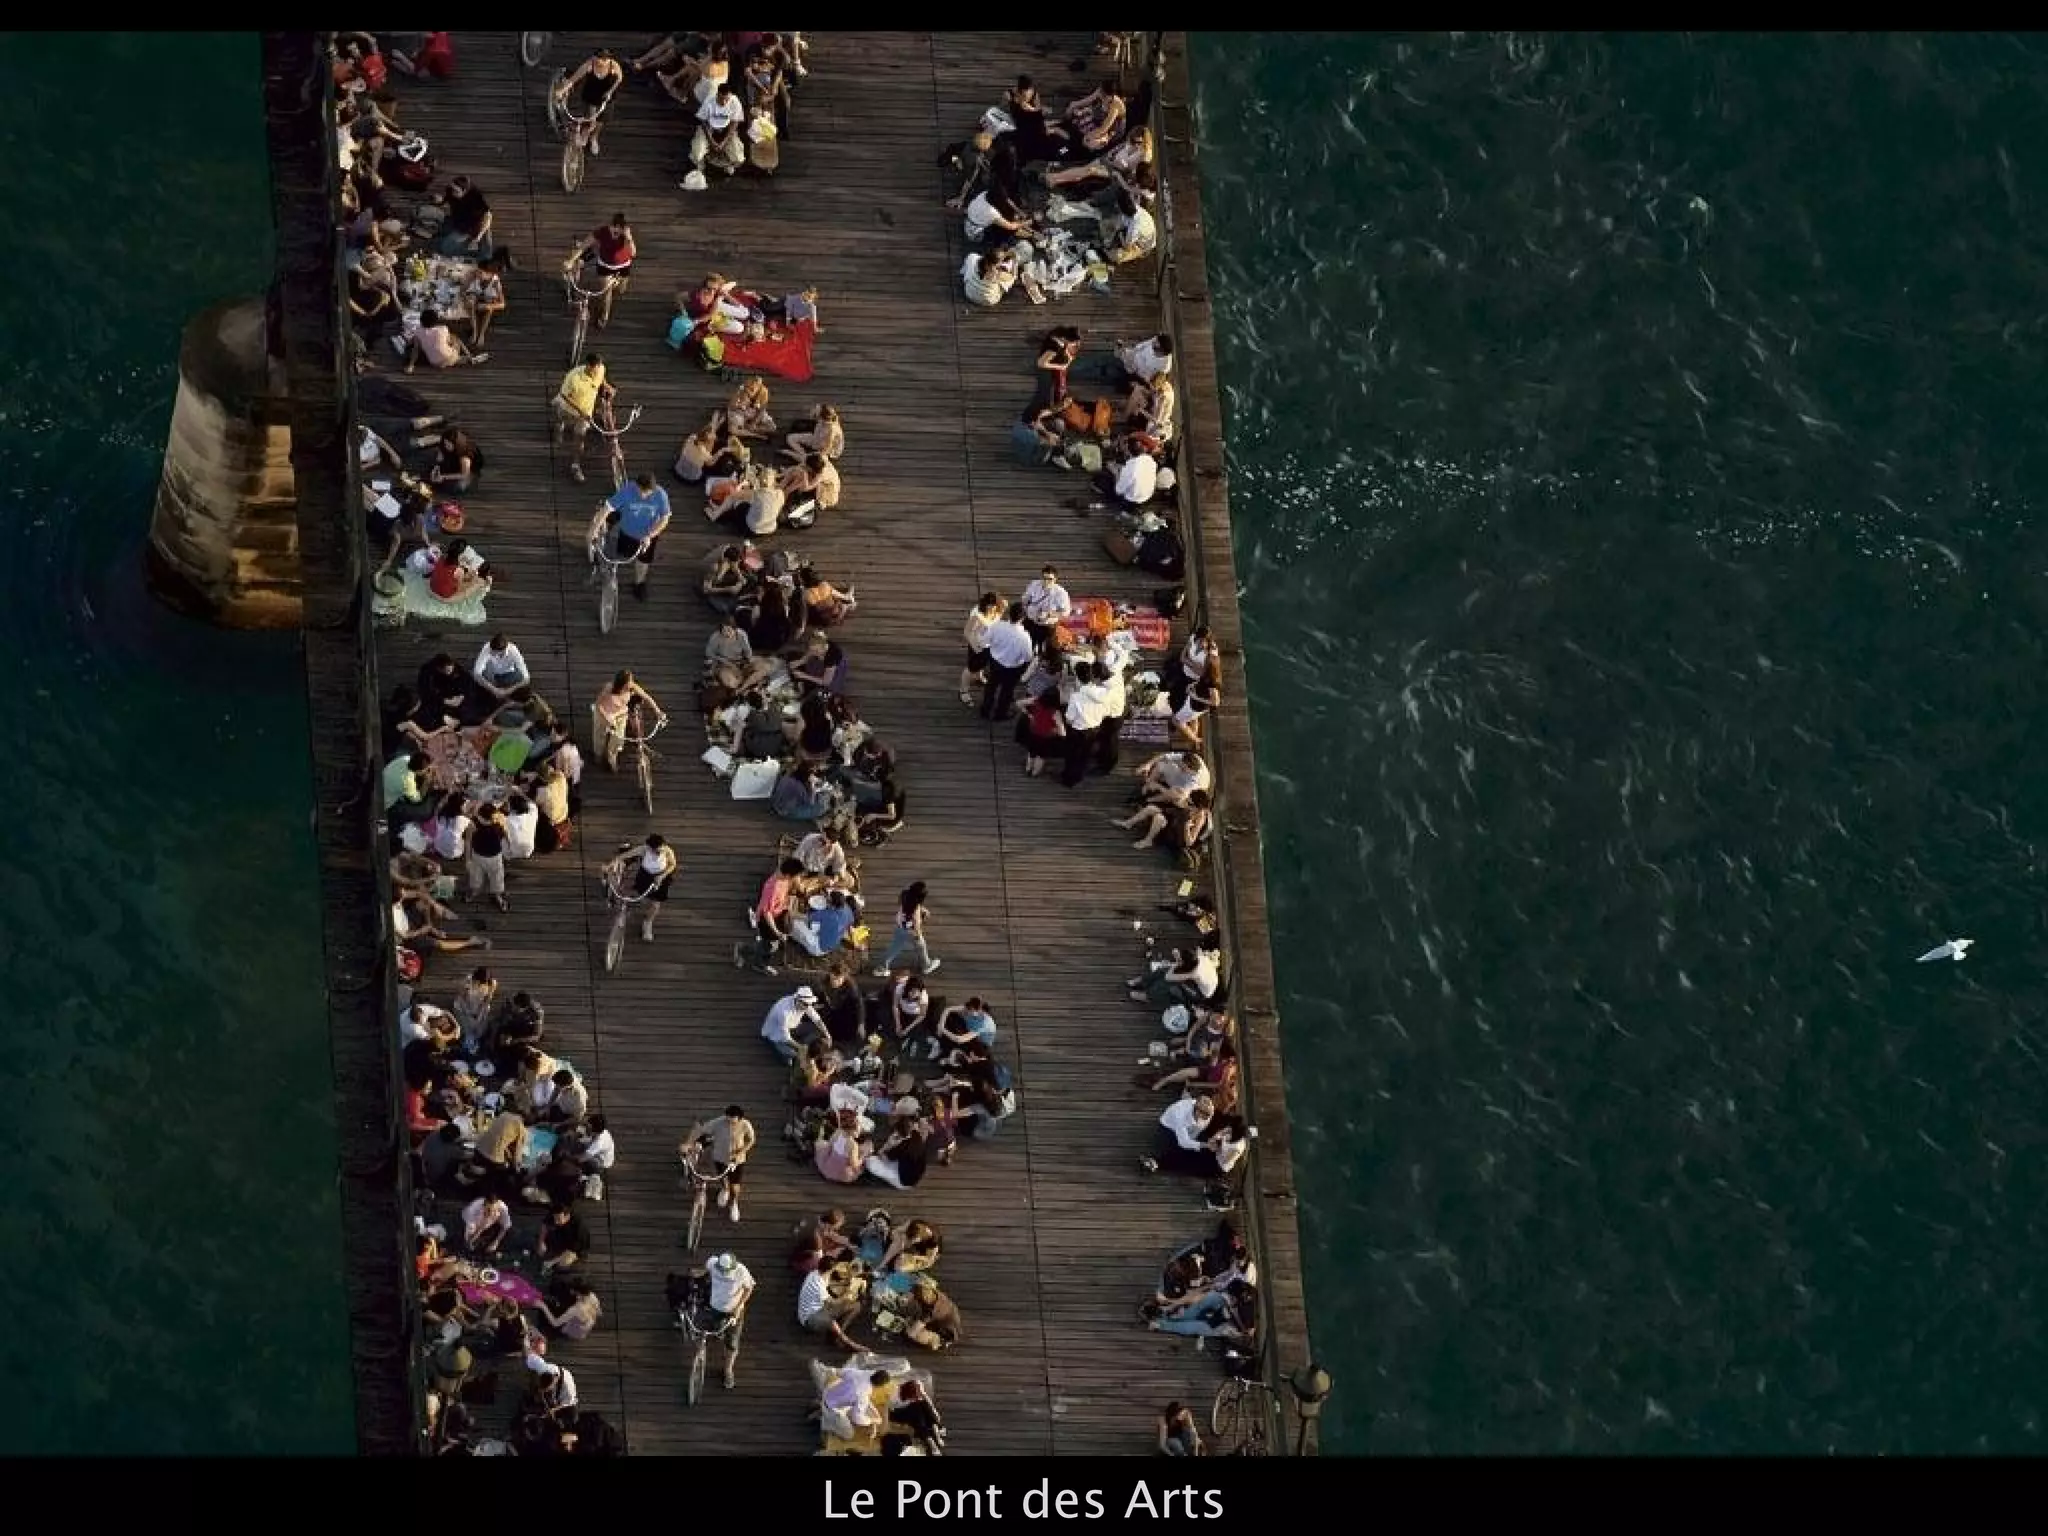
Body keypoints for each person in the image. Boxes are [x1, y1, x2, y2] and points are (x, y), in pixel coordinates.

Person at [587, 472, 673, 603]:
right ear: (636, 485)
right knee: (623, 554)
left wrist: (650, 535)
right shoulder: (627, 491)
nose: (643, 495)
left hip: (647, 536)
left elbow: (664, 519)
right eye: (641, 491)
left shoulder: (661, 495)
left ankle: (639, 584)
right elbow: (607, 509)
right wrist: (593, 530)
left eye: (647, 492)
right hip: (627, 532)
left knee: (643, 561)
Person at [563, 212, 637, 329]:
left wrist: (629, 239)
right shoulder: (602, 232)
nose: (616, 230)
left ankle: (615, 288)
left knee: (621, 290)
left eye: (620, 228)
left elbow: (633, 253)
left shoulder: (626, 237)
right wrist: (571, 260)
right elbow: (584, 246)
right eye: (614, 226)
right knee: (606, 292)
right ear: (610, 225)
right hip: (605, 266)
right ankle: (604, 316)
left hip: (623, 266)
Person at [554, 352, 615, 484]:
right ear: (587, 365)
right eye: (594, 370)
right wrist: (579, 411)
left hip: (586, 415)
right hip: (568, 410)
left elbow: (602, 379)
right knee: (561, 419)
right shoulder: (573, 377)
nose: (595, 373)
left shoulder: (601, 369)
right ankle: (559, 427)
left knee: (580, 438)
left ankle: (575, 466)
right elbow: (564, 396)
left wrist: (606, 386)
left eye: (597, 370)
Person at [552, 48, 624, 157]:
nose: (602, 61)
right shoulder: (589, 65)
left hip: (607, 98)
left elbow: (619, 79)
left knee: (601, 122)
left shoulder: (613, 66)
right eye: (599, 58)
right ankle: (585, 135)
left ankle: (594, 138)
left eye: (605, 59)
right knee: (590, 119)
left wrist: (610, 91)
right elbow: (573, 80)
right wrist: (562, 90)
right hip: (591, 96)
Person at [591, 669, 666, 770]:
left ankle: (612, 757)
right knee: (599, 735)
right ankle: (598, 754)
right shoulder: (609, 688)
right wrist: (607, 717)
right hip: (604, 714)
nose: (631, 683)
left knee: (618, 739)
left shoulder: (632, 687)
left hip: (620, 715)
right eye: (628, 681)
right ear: (621, 682)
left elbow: (647, 697)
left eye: (631, 680)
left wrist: (658, 711)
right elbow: (598, 704)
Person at [607, 833, 677, 942]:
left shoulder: (668, 851)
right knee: (641, 898)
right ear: (650, 848)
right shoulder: (644, 849)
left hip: (660, 877)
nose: (660, 852)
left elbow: (672, 865)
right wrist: (612, 863)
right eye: (657, 851)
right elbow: (625, 855)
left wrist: (662, 876)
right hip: (645, 876)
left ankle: (648, 923)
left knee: (655, 904)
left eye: (661, 849)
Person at [704, 1253, 754, 1388]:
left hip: (733, 1311)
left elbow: (749, 1289)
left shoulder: (741, 1271)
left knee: (732, 1343)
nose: (723, 1273)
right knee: (712, 1331)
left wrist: (738, 1307)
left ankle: (728, 1370)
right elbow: (706, 1271)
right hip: (715, 1307)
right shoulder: (712, 1263)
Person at [978, 600, 1035, 721]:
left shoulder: (997, 626)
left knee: (991, 686)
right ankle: (1000, 714)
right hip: (1013, 668)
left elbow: (984, 641)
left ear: (1009, 614)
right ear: (1023, 618)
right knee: (1007, 691)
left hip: (995, 662)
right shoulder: (1025, 637)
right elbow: (1028, 657)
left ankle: (985, 709)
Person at [1116, 786, 1212, 855]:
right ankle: (1128, 823)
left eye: (1190, 803)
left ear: (1198, 807)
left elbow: (1190, 842)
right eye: (1188, 801)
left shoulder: (1200, 818)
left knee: (1158, 818)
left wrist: (1186, 826)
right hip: (1175, 823)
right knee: (1151, 808)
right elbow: (1178, 812)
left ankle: (1148, 841)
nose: (1187, 803)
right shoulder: (1189, 807)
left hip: (1177, 836)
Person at [1131, 940, 1223, 1008]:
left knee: (1168, 983)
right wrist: (1177, 959)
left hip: (1200, 994)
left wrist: (1175, 964)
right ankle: (1144, 980)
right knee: (1166, 969)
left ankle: (1148, 996)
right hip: (1203, 982)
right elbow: (1181, 965)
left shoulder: (1195, 973)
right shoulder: (1199, 958)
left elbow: (1168, 977)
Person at [797, 1259, 864, 1351]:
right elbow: (832, 1302)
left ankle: (836, 1336)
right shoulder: (818, 1284)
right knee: (831, 1322)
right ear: (828, 1270)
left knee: (856, 1306)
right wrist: (847, 1295)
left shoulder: (815, 1273)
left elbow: (831, 1283)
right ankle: (847, 1342)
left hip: (819, 1308)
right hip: (810, 1318)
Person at [876, 881, 939, 977]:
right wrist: (918, 935)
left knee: (894, 948)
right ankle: (926, 965)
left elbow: (901, 902)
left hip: (900, 924)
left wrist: (922, 909)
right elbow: (916, 924)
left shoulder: (905, 894)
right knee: (921, 946)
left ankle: (882, 967)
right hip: (910, 931)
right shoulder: (915, 909)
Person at [691, 80, 748, 176]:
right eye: (721, 99)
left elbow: (734, 123)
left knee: (738, 158)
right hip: (710, 128)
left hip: (726, 129)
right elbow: (703, 121)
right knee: (697, 153)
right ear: (717, 95)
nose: (724, 102)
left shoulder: (735, 101)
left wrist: (724, 142)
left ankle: (728, 163)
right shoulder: (709, 100)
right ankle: (701, 163)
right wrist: (711, 141)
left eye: (727, 99)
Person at [959, 591, 1004, 706]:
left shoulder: (998, 610)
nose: (991, 608)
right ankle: (963, 691)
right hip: (977, 645)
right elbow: (967, 632)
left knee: (983, 664)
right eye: (989, 605)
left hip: (989, 645)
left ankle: (979, 677)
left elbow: (1004, 605)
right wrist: (975, 647)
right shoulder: (977, 615)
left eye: (993, 605)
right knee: (970, 669)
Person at [465, 803, 510, 912]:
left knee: (476, 877)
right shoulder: (500, 821)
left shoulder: (473, 823)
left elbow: (468, 842)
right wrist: (508, 851)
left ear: (480, 814)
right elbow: (506, 837)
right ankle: (497, 896)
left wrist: (467, 859)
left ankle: (474, 892)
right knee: (497, 878)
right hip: (495, 856)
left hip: (478, 856)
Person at [404, 308, 483, 372]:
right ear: (436, 321)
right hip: (449, 357)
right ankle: (468, 356)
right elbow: (449, 341)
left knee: (421, 345)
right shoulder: (443, 329)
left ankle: (461, 359)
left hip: (434, 362)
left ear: (421, 321)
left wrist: (411, 366)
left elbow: (415, 350)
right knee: (456, 339)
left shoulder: (418, 332)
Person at [432, 174, 494, 255]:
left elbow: (488, 215)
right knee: (440, 244)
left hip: (472, 226)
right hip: (457, 222)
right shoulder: (450, 191)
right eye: (452, 189)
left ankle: (474, 249)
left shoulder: (475, 197)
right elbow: (445, 200)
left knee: (446, 248)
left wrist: (479, 236)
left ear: (464, 191)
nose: (453, 193)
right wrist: (439, 200)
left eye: (456, 191)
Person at [761, 985, 825, 1063]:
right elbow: (786, 1037)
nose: (808, 1007)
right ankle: (793, 1052)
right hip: (777, 1034)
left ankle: (801, 1047)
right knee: (792, 1053)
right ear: (798, 1000)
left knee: (817, 1030)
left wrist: (828, 1035)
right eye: (805, 1004)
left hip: (793, 1027)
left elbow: (817, 1019)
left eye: (810, 1004)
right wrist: (801, 1048)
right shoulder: (783, 1012)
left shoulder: (805, 1005)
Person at [1021, 565, 1072, 654]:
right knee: (1026, 648)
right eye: (1044, 578)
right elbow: (1025, 599)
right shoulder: (1034, 584)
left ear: (1055, 579)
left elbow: (1066, 612)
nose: (1046, 581)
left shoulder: (1061, 593)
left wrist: (1050, 614)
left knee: (1044, 651)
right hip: (1031, 622)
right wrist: (1026, 604)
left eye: (1050, 579)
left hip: (1047, 626)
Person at [473, 634, 533, 708]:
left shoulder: (513, 650)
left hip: (508, 674)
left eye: (495, 652)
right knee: (483, 674)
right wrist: (494, 689)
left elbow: (527, 678)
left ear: (504, 650)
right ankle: (495, 696)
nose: (492, 653)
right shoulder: (487, 648)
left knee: (522, 680)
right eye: (492, 651)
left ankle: (505, 697)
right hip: (492, 676)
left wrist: (509, 690)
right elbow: (476, 674)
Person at [1103, 184, 1158, 265]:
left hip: (1142, 245)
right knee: (1109, 224)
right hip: (1135, 232)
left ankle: (1139, 254)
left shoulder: (1135, 227)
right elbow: (1120, 220)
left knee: (1115, 256)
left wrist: (1120, 235)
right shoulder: (1134, 208)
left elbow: (1127, 247)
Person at [538, 1279, 603, 1342]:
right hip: (584, 1325)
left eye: (572, 1290)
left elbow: (555, 1323)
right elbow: (599, 1313)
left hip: (575, 1331)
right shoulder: (592, 1296)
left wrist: (543, 1306)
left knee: (546, 1314)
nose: (570, 1290)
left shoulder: (576, 1309)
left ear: (577, 1293)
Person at [538, 1200, 590, 1274]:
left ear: (567, 1216)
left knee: (563, 1263)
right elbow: (545, 1224)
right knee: (541, 1251)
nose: (556, 1222)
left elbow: (573, 1249)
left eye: (559, 1219)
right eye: (555, 1219)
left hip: (576, 1249)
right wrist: (541, 1242)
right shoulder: (555, 1214)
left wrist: (551, 1262)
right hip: (561, 1238)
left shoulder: (579, 1227)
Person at [461, 1191, 512, 1257]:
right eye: (488, 1209)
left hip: (489, 1224)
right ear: (484, 1204)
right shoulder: (471, 1210)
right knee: (469, 1244)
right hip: (472, 1223)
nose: (491, 1212)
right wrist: (471, 1241)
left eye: (494, 1209)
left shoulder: (502, 1207)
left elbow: (506, 1227)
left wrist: (496, 1242)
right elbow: (470, 1237)